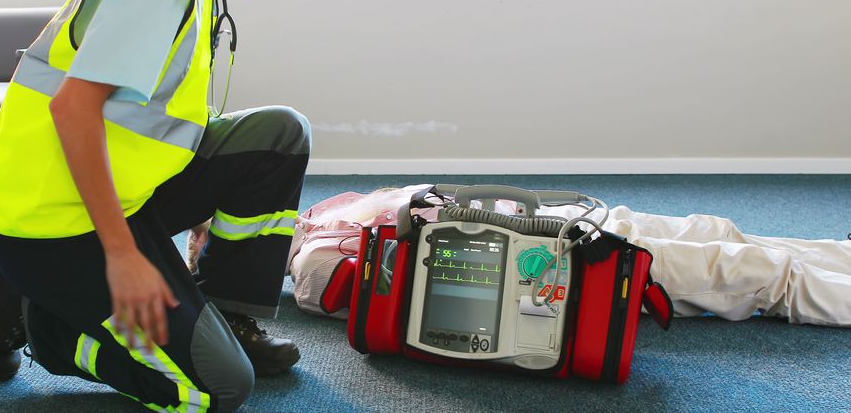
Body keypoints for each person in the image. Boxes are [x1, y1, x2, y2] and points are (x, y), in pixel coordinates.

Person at [0, 0, 308, 412]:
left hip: (120, 196)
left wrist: (205, 206)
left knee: (280, 134)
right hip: (52, 221)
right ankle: (39, 323)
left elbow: (155, 126)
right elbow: (73, 108)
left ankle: (225, 315)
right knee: (219, 389)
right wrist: (123, 255)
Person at [283, 186, 851, 327]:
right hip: (565, 263)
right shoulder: (314, 266)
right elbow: (419, 303)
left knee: (718, 228)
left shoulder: (330, 207)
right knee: (754, 274)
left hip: (573, 221)